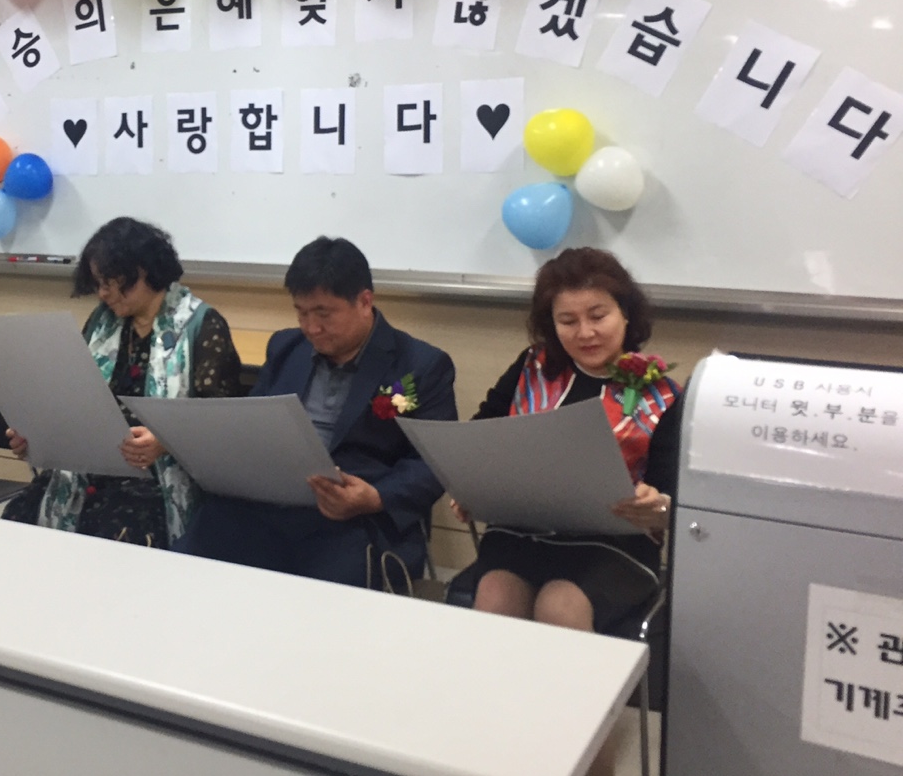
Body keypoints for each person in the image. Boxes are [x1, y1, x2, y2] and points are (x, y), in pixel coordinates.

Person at [179, 237, 457, 590]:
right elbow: (254, 424)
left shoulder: (420, 365)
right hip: (272, 504)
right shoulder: (286, 347)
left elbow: (433, 463)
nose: (311, 327)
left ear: (364, 302)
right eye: (301, 312)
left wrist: (375, 497)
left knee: (321, 593)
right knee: (200, 546)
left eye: (324, 314)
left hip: (355, 518)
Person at [455, 247, 681, 634]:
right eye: (568, 321)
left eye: (598, 316)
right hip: (522, 532)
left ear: (626, 313)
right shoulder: (533, 367)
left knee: (560, 604)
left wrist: (659, 506)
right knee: (496, 596)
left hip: (613, 546)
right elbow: (480, 436)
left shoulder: (661, 395)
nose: (585, 333)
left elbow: (672, 496)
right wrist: (472, 486)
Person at [2, 217, 242, 549]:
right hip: (91, 467)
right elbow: (73, 395)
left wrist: (164, 441)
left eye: (111, 282)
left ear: (142, 271)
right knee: (17, 519)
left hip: (155, 478)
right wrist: (37, 435)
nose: (103, 293)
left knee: (115, 535)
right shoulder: (103, 323)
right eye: (98, 283)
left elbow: (221, 423)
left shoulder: (201, 325)